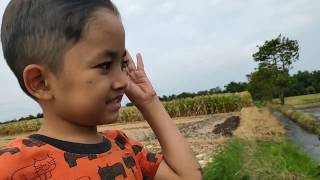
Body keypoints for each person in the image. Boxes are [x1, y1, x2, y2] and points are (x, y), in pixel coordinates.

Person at [0, 0, 202, 179]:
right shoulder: (13, 166)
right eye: (105, 65)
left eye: (122, 63)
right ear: (40, 82)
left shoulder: (124, 147)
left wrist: (149, 102)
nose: (123, 80)